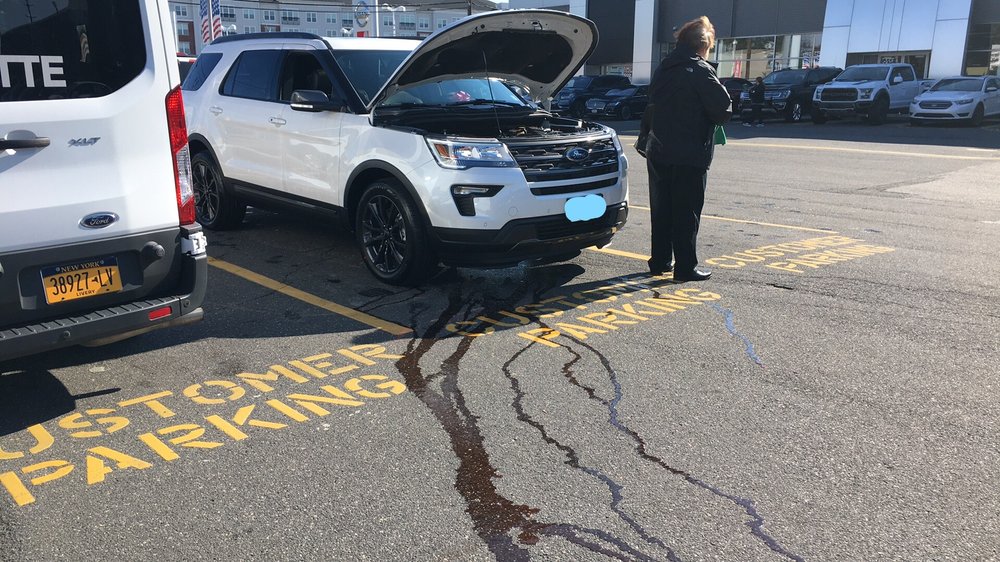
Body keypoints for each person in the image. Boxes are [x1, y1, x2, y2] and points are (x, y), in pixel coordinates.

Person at [640, 16, 732, 282]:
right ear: (703, 45)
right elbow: (722, 110)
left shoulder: (664, 68)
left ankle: (660, 261)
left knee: (662, 208)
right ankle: (685, 267)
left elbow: (652, 103)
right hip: (689, 151)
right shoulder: (700, 70)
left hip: (658, 149)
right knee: (687, 211)